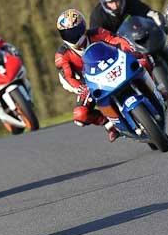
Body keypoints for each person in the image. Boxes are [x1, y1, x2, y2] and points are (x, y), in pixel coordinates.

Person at [54, 8, 152, 142]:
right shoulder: (62, 55)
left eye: (75, 30)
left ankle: (155, 90)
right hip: (88, 83)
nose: (73, 36)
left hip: (112, 66)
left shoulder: (97, 33)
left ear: (83, 27)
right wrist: (80, 88)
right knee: (80, 116)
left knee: (143, 60)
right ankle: (108, 123)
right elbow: (68, 76)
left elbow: (117, 40)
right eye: (68, 33)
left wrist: (129, 51)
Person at [90, 0, 168, 76]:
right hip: (120, 49)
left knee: (162, 45)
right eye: (110, 3)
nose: (115, 5)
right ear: (104, 3)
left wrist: (159, 22)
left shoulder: (131, 0)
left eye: (117, 0)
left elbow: (147, 13)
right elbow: (96, 38)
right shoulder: (97, 16)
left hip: (140, 37)